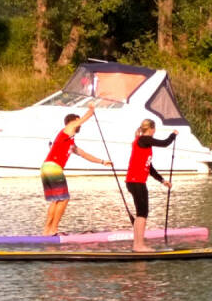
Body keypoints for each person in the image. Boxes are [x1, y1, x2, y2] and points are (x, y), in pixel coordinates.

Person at [41, 106, 112, 235]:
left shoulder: (69, 142)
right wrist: (91, 110)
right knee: (64, 198)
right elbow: (80, 121)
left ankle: (47, 231)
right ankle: (53, 230)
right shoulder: (67, 130)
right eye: (77, 122)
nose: (80, 126)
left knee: (56, 199)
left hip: (47, 167)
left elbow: (84, 155)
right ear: (72, 122)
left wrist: (102, 162)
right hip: (53, 167)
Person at [124, 119, 177, 252]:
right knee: (143, 213)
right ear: (152, 129)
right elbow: (165, 143)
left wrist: (162, 180)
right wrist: (173, 135)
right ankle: (139, 246)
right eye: (155, 129)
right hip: (136, 182)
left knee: (140, 213)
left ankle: (137, 245)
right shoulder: (144, 139)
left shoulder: (143, 143)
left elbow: (150, 168)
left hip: (134, 181)